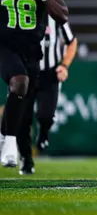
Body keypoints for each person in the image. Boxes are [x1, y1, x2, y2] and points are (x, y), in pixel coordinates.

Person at [0, 0, 69, 168]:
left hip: (32, 50)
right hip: (5, 44)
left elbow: (62, 15)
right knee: (19, 84)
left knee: (22, 98)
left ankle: (5, 137)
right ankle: (9, 146)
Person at [17, 14, 77, 175]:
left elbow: (72, 41)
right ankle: (26, 159)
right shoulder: (18, 12)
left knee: (45, 114)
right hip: (25, 73)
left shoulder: (54, 16)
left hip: (48, 74)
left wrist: (64, 66)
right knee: (22, 119)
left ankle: (44, 132)